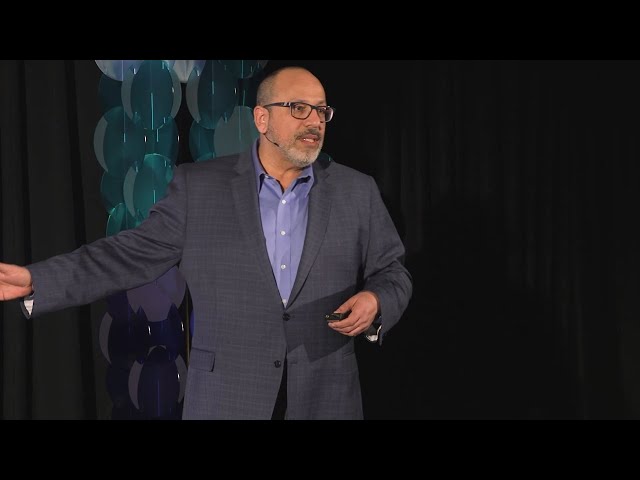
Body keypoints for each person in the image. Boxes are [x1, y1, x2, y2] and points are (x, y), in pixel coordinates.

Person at [0, 66, 412, 419]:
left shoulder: (357, 191)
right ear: (262, 118)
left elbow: (392, 271)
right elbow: (126, 255)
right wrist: (38, 280)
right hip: (226, 399)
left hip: (326, 398)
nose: (315, 121)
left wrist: (376, 300)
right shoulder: (199, 188)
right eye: (299, 108)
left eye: (322, 110)